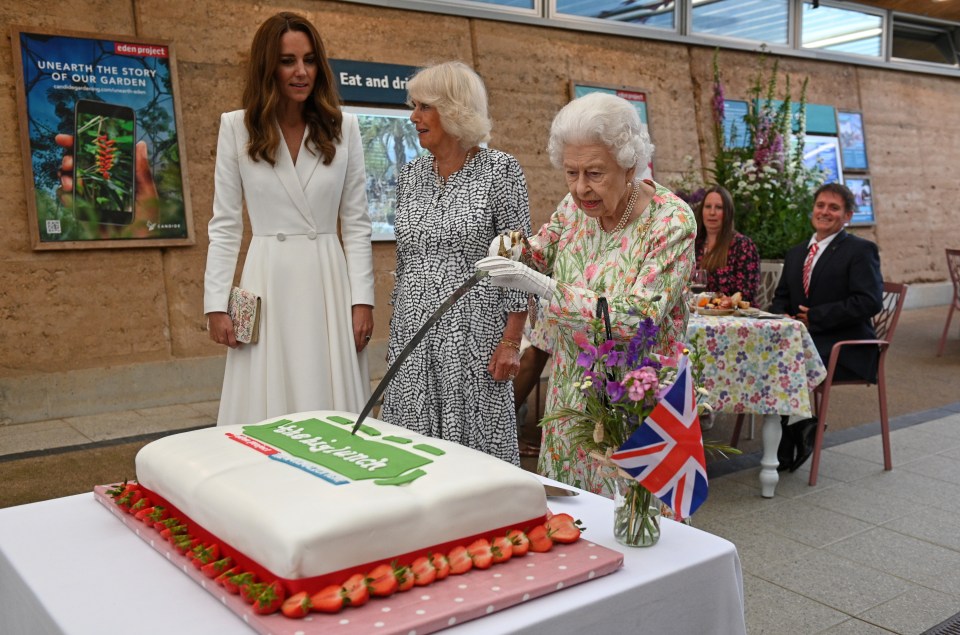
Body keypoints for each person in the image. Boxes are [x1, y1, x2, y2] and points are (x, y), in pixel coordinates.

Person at [477, 92, 696, 496]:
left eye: (594, 173)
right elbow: (540, 251)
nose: (581, 188)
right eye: (571, 172)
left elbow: (638, 317)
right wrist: (508, 247)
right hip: (571, 394)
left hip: (636, 398)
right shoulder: (575, 206)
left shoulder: (671, 220)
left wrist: (543, 287)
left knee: (635, 524)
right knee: (571, 517)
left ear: (629, 165)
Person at [203, 12, 374, 426]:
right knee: (265, 405)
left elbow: (356, 223)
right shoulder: (236, 127)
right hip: (266, 278)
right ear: (267, 67)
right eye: (288, 61)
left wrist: (362, 300)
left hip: (327, 280)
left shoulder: (343, 128)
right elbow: (225, 224)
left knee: (329, 398)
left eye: (310, 60)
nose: (302, 71)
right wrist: (215, 304)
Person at [379, 61, 531, 465]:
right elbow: (406, 257)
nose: (414, 117)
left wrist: (512, 341)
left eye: (424, 107)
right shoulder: (410, 175)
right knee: (412, 454)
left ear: (454, 109)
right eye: (414, 107)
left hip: (474, 338)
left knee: (473, 459)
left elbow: (519, 261)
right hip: (413, 334)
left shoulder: (500, 170)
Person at [770, 182, 883, 471]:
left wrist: (816, 316)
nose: (825, 212)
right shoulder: (797, 253)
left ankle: (786, 443)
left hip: (845, 348)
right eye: (820, 205)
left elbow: (869, 302)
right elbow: (781, 297)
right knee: (767, 356)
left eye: (834, 208)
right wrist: (784, 316)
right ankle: (799, 427)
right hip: (803, 344)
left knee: (784, 362)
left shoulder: (860, 250)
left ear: (847, 216)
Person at [694, 185, 760, 304]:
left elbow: (746, 294)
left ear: (728, 212)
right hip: (698, 313)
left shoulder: (743, 245)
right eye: (708, 206)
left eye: (719, 207)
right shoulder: (694, 244)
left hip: (733, 317)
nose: (712, 212)